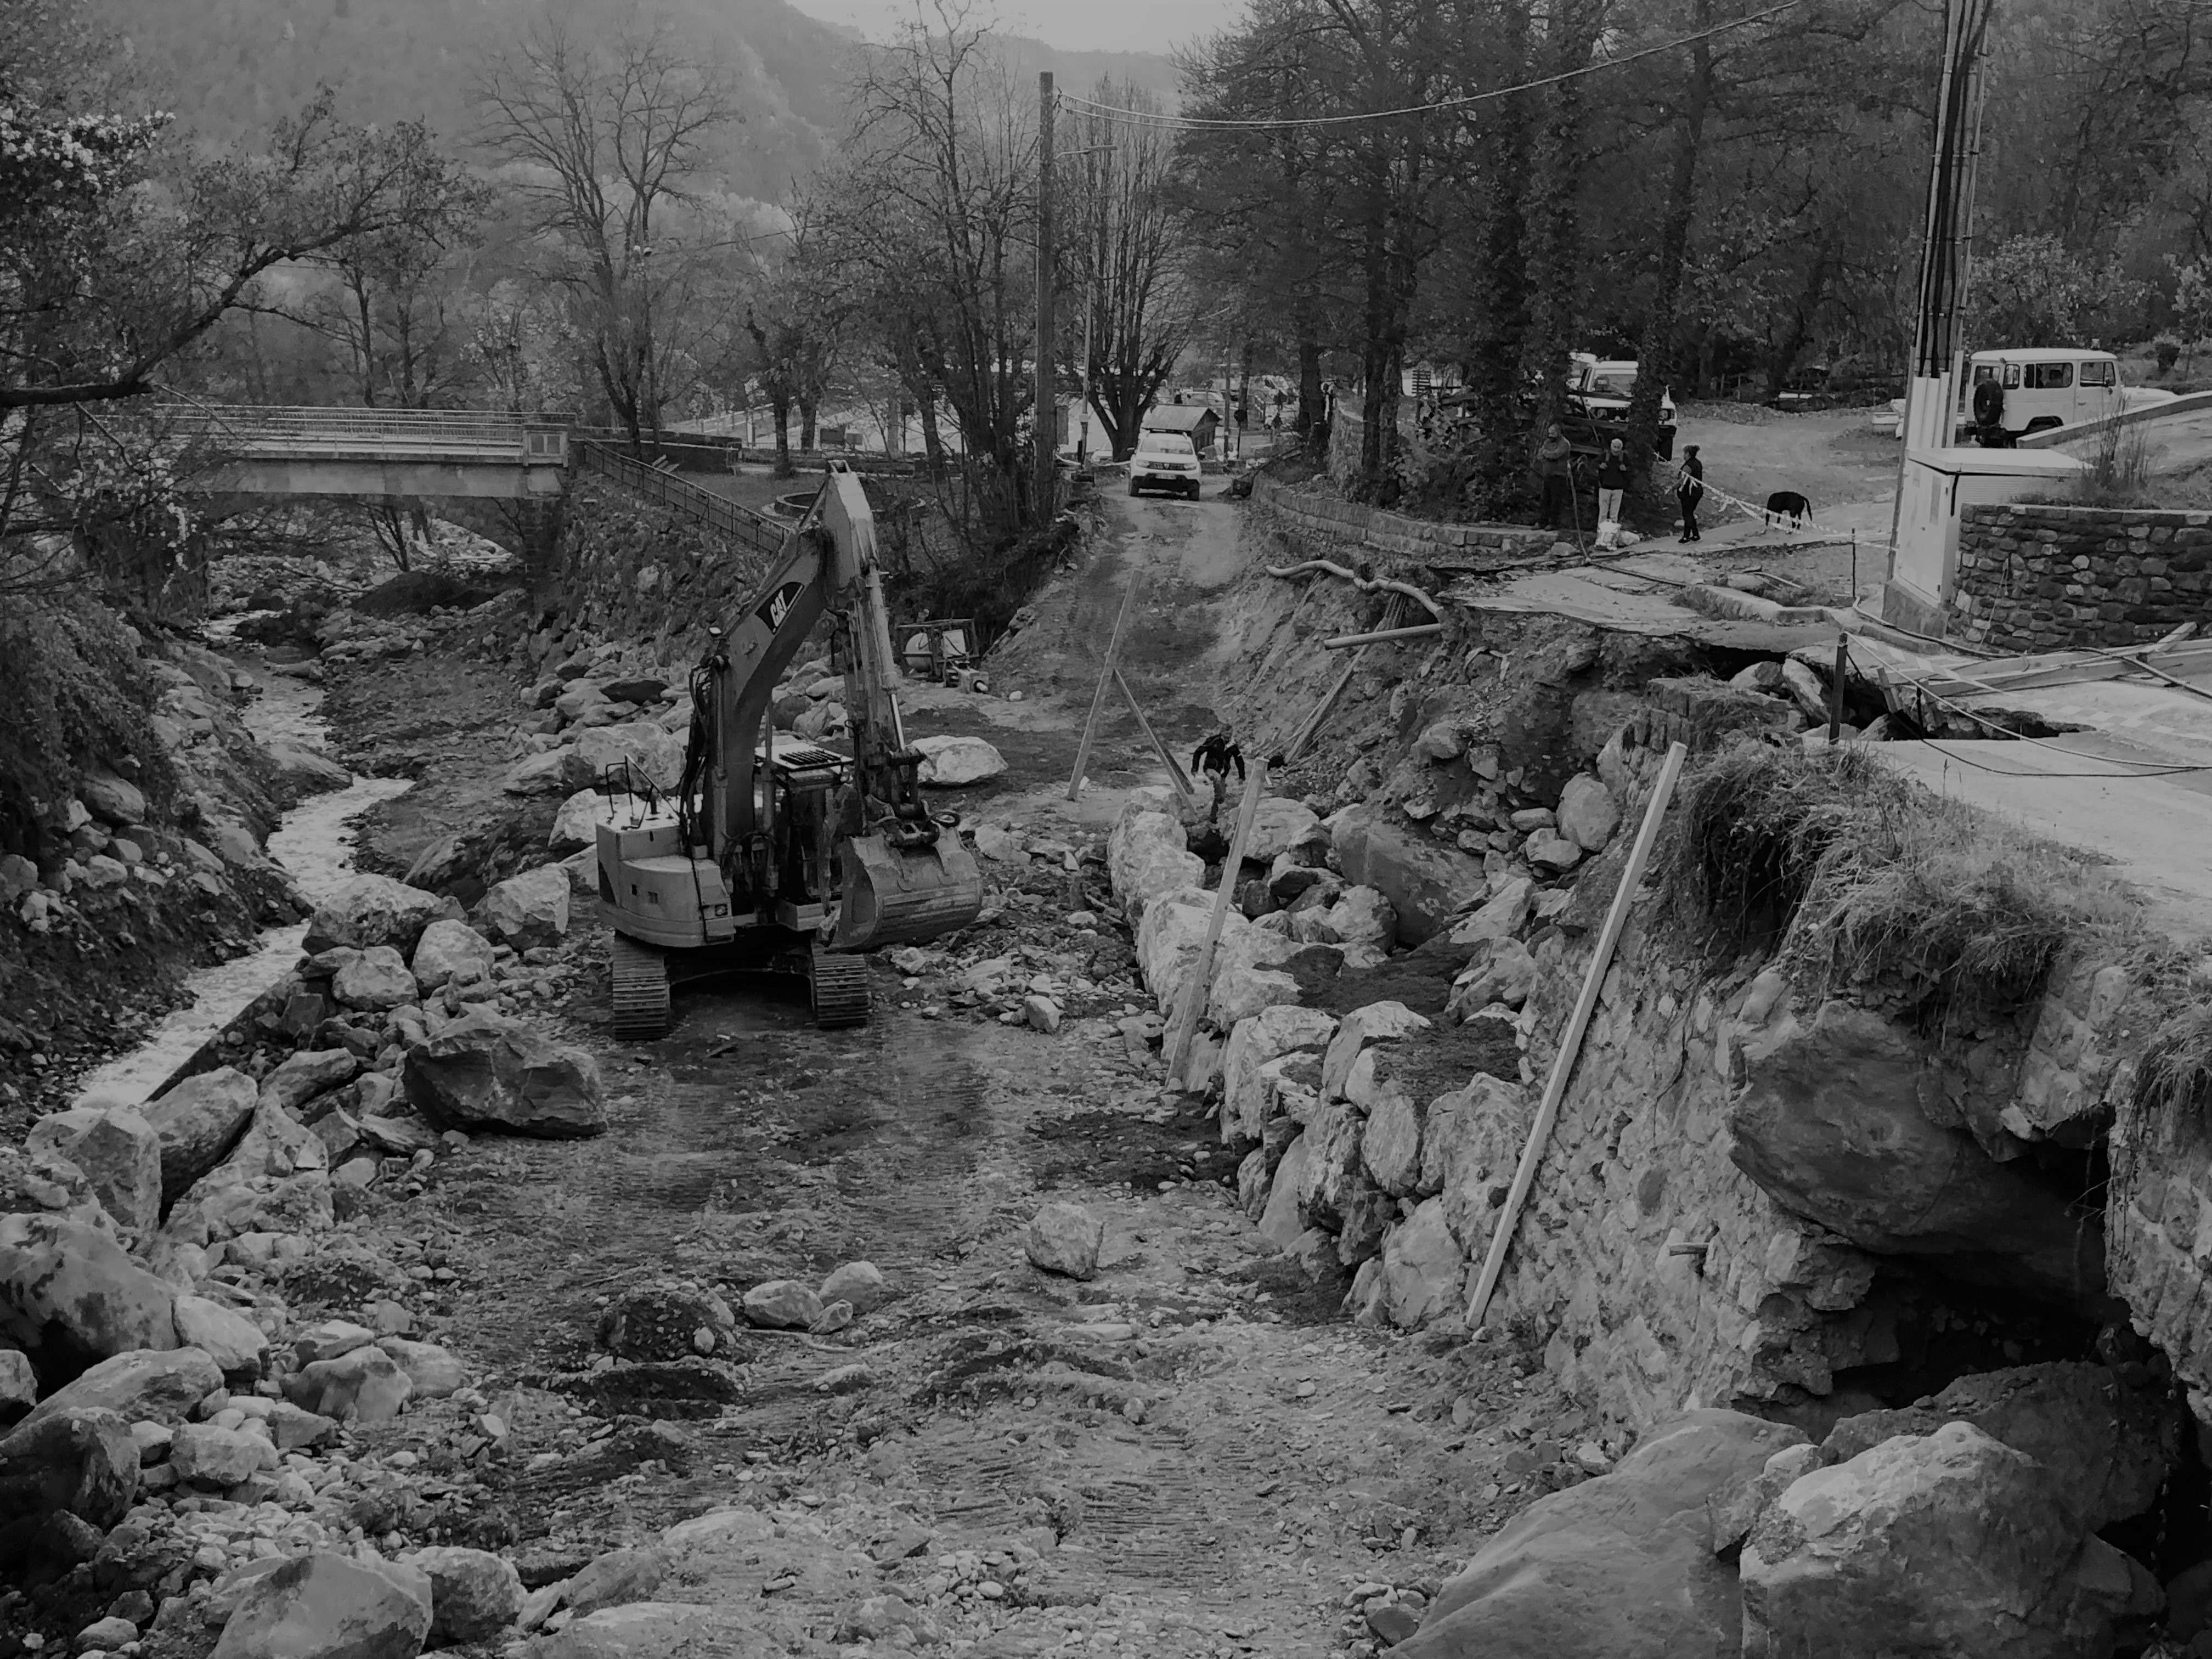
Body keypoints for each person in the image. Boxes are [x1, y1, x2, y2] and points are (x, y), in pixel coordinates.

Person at [1190, 731, 1246, 818]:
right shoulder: (1213, 741)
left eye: (1229, 734)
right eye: (1226, 734)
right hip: (1210, 769)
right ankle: (1219, 796)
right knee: (1217, 779)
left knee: (1221, 796)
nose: (1228, 736)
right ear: (1222, 733)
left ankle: (1213, 818)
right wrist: (1195, 769)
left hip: (1223, 773)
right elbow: (1198, 752)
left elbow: (1239, 761)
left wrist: (1242, 777)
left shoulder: (1233, 746)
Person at [1534, 422, 1575, 530]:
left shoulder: (1565, 444)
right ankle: (1542, 522)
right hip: (1547, 475)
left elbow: (1556, 455)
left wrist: (1546, 454)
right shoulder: (1547, 442)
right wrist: (1547, 456)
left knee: (1555, 501)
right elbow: (1539, 456)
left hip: (1559, 476)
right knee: (1544, 500)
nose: (1550, 435)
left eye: (1552, 433)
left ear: (1558, 433)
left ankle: (1553, 523)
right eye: (1549, 433)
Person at [1595, 438, 1631, 531]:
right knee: (1603, 513)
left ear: (1621, 448)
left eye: (1618, 447)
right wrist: (1600, 466)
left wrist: (1625, 470)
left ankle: (1612, 534)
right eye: (1614, 447)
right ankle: (1600, 533)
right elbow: (1593, 464)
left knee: (1614, 515)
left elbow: (1632, 471)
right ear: (1611, 447)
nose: (1616, 450)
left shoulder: (1624, 458)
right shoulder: (1605, 456)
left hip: (1618, 489)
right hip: (1604, 488)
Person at [1675, 444, 1705, 543]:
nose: (1683, 456)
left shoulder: (1688, 465)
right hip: (1698, 492)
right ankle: (1688, 535)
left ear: (1687, 454)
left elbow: (1682, 481)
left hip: (1690, 493)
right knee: (1689, 513)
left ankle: (1693, 535)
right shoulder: (1698, 463)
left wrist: (1672, 488)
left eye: (1684, 453)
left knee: (1687, 514)